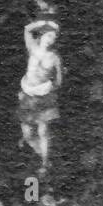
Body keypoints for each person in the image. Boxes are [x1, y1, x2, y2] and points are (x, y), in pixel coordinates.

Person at [19, 11, 62, 172]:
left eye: (53, 38)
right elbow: (27, 30)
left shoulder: (55, 57)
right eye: (49, 35)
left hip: (44, 95)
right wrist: (44, 23)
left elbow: (58, 80)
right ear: (43, 35)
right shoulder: (32, 48)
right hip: (28, 94)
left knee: (43, 131)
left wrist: (49, 88)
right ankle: (42, 156)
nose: (51, 40)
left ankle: (44, 162)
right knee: (28, 134)